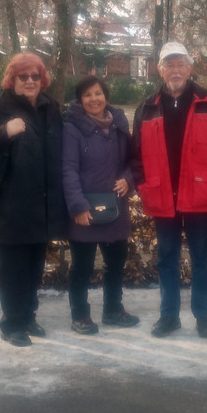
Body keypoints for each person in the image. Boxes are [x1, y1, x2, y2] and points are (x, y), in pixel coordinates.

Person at [131, 42, 207, 338]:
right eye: (169, 64)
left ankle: (204, 317)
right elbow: (135, 155)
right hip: (163, 195)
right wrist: (144, 186)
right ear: (159, 69)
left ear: (190, 68)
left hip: (198, 196)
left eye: (180, 64)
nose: (175, 70)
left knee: (200, 257)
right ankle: (169, 316)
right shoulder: (147, 107)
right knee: (167, 259)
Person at [0, 52, 67, 347]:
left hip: (42, 205)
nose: (29, 81)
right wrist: (3, 133)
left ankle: (27, 316)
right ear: (12, 80)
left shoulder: (51, 109)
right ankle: (11, 323)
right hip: (10, 207)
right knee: (14, 269)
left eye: (35, 76)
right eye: (22, 76)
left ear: (42, 80)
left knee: (35, 265)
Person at [62, 75, 141, 335]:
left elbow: (132, 160)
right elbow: (68, 170)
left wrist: (128, 180)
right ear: (80, 100)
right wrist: (78, 207)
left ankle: (113, 310)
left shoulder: (118, 124)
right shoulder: (72, 128)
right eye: (87, 95)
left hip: (115, 206)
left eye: (98, 93)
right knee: (82, 267)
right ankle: (80, 315)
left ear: (105, 95)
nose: (94, 99)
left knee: (116, 263)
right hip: (85, 208)